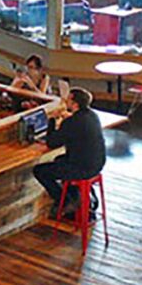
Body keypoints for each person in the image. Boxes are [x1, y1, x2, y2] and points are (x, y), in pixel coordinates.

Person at [33, 88, 106, 219]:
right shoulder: (92, 115)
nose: (66, 101)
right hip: (97, 164)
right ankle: (79, 197)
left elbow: (51, 142)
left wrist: (52, 120)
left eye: (68, 99)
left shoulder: (71, 123)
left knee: (39, 171)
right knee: (59, 160)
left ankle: (65, 201)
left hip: (82, 168)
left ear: (74, 104)